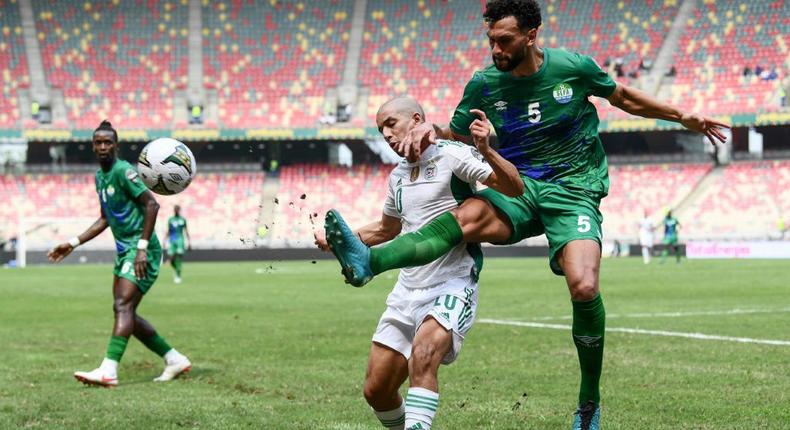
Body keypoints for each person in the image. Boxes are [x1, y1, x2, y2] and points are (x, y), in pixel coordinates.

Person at [324, 1, 730, 428]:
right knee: (467, 218)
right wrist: (434, 129)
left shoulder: (572, 67)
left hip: (574, 188)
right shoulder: (483, 83)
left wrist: (681, 115)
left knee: (584, 286)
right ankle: (370, 262)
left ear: (532, 35)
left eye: (505, 41)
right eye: (491, 41)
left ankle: (588, 403)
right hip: (517, 185)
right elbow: (454, 133)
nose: (496, 49)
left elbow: (624, 97)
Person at [320, 97, 523, 430]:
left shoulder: (452, 155)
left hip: (452, 282)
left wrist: (486, 149)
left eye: (390, 123)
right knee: (377, 391)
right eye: (379, 129)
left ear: (416, 119)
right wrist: (341, 239)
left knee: (424, 355)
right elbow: (387, 229)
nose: (385, 133)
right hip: (407, 289)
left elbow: (514, 188)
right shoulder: (397, 176)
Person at [48, 120, 191, 387]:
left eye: (108, 142)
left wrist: (142, 248)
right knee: (127, 313)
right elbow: (105, 218)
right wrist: (73, 242)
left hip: (141, 250)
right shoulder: (99, 177)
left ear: (116, 145)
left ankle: (109, 370)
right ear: (93, 146)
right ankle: (174, 359)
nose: (103, 146)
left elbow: (152, 205)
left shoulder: (125, 172)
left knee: (122, 307)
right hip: (124, 250)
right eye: (98, 142)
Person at [167, 205, 190, 284]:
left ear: (179, 210)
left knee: (178, 259)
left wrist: (189, 242)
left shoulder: (182, 220)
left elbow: (186, 231)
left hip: (180, 240)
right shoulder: (170, 219)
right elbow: (169, 230)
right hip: (172, 241)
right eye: (175, 209)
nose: (176, 210)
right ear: (174, 210)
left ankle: (178, 275)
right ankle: (176, 269)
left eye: (177, 209)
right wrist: (164, 240)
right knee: (171, 260)